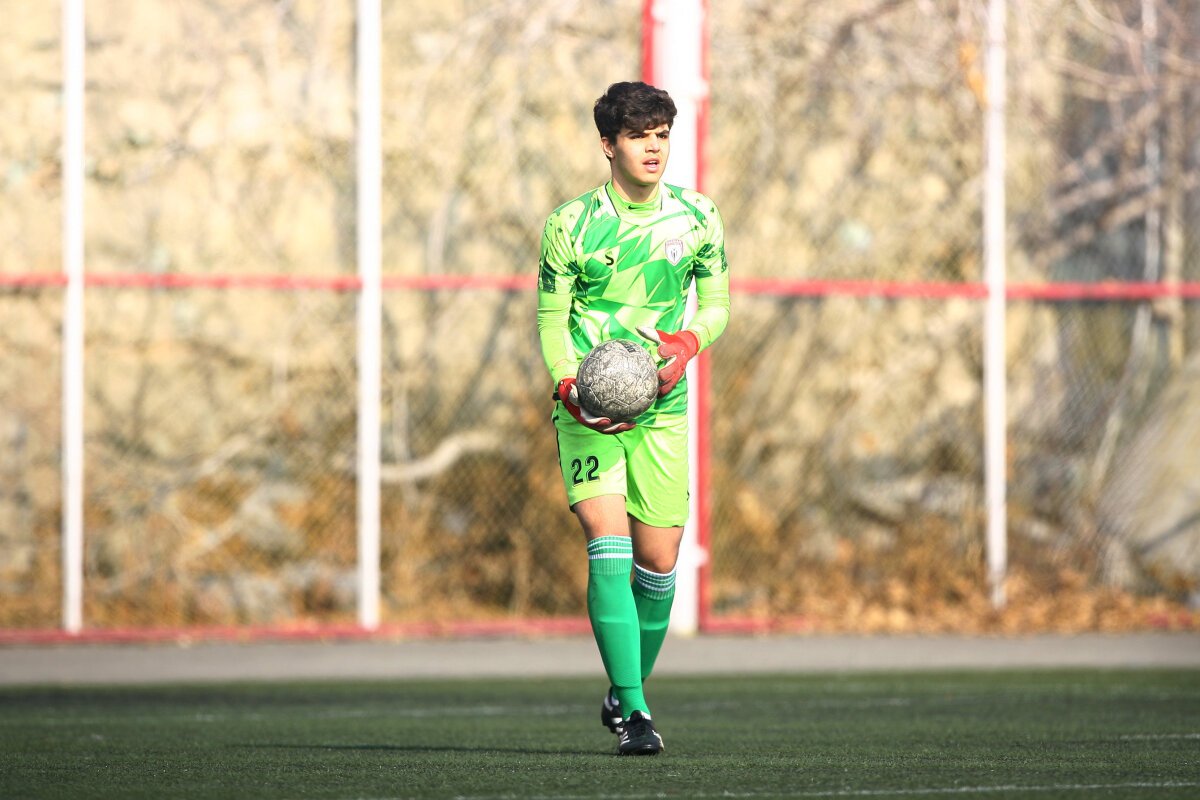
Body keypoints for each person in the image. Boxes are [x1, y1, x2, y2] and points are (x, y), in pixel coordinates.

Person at [535, 81, 730, 756]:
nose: (653, 148)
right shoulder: (570, 225)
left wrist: (688, 343)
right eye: (638, 136)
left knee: (658, 563)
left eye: (662, 135)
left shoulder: (698, 217)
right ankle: (636, 713)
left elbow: (718, 305)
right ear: (608, 145)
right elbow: (551, 319)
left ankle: (624, 688)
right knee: (609, 546)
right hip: (585, 410)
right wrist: (570, 388)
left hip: (663, 408)